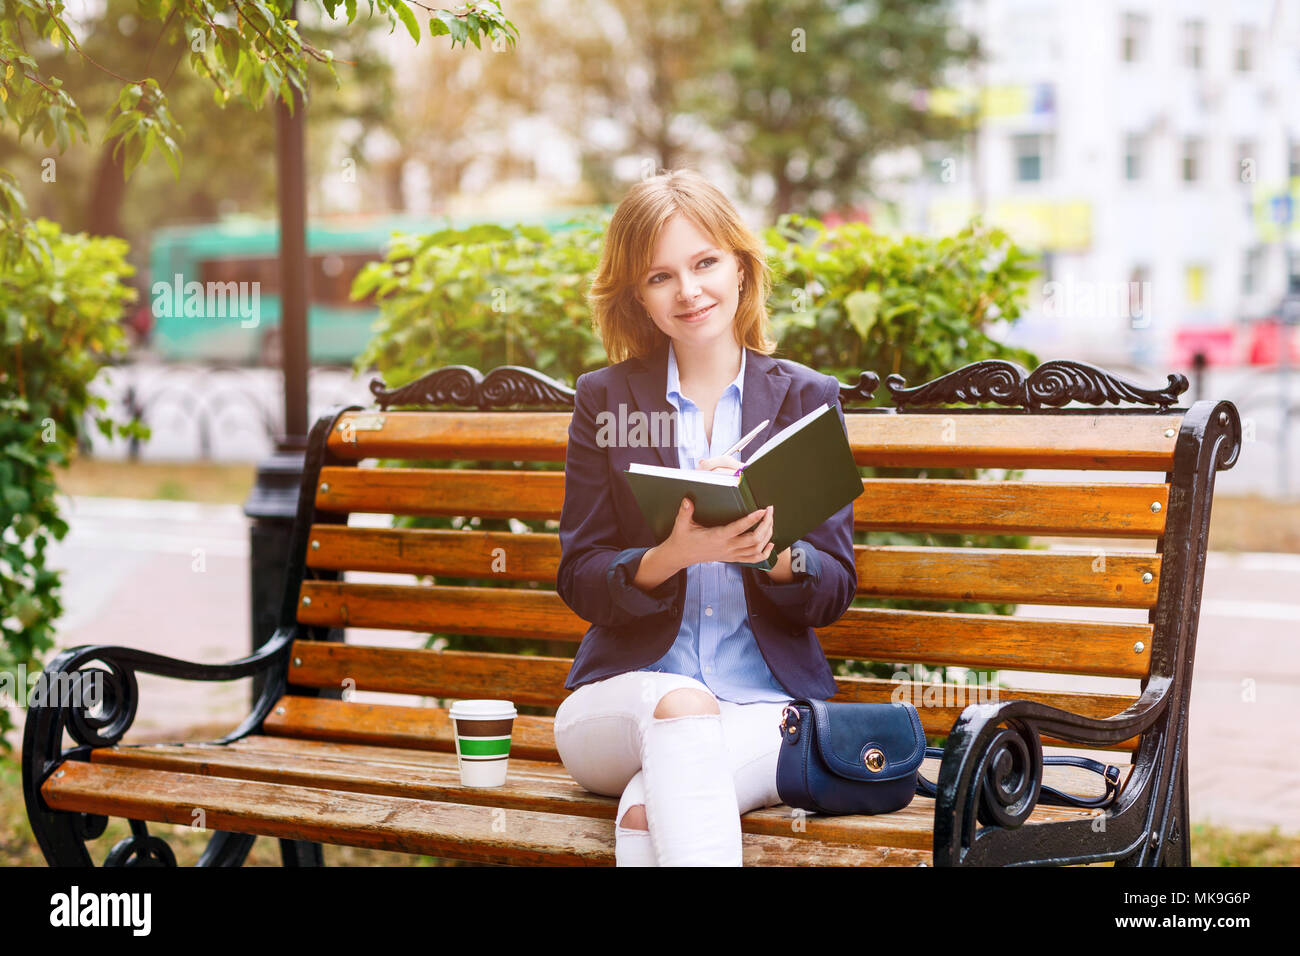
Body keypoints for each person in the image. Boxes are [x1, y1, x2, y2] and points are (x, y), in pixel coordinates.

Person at [553, 168, 859, 866]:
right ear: (637, 294)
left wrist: (769, 552)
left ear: (741, 269)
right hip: (621, 702)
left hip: (764, 709)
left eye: (705, 263)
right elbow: (579, 575)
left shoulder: (807, 398)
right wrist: (674, 554)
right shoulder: (605, 400)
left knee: (644, 810)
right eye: (660, 276)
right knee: (683, 707)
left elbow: (836, 585)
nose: (689, 291)